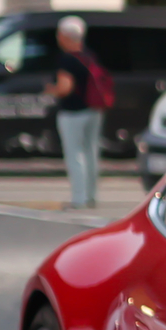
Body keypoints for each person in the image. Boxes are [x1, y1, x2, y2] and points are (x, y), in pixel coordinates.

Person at [46, 16, 106, 209]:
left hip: (73, 112)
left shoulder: (67, 59)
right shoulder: (89, 55)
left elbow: (65, 87)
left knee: (74, 154)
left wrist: (51, 90)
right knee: (91, 153)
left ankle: (79, 198)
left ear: (64, 36)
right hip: (94, 110)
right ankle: (91, 195)